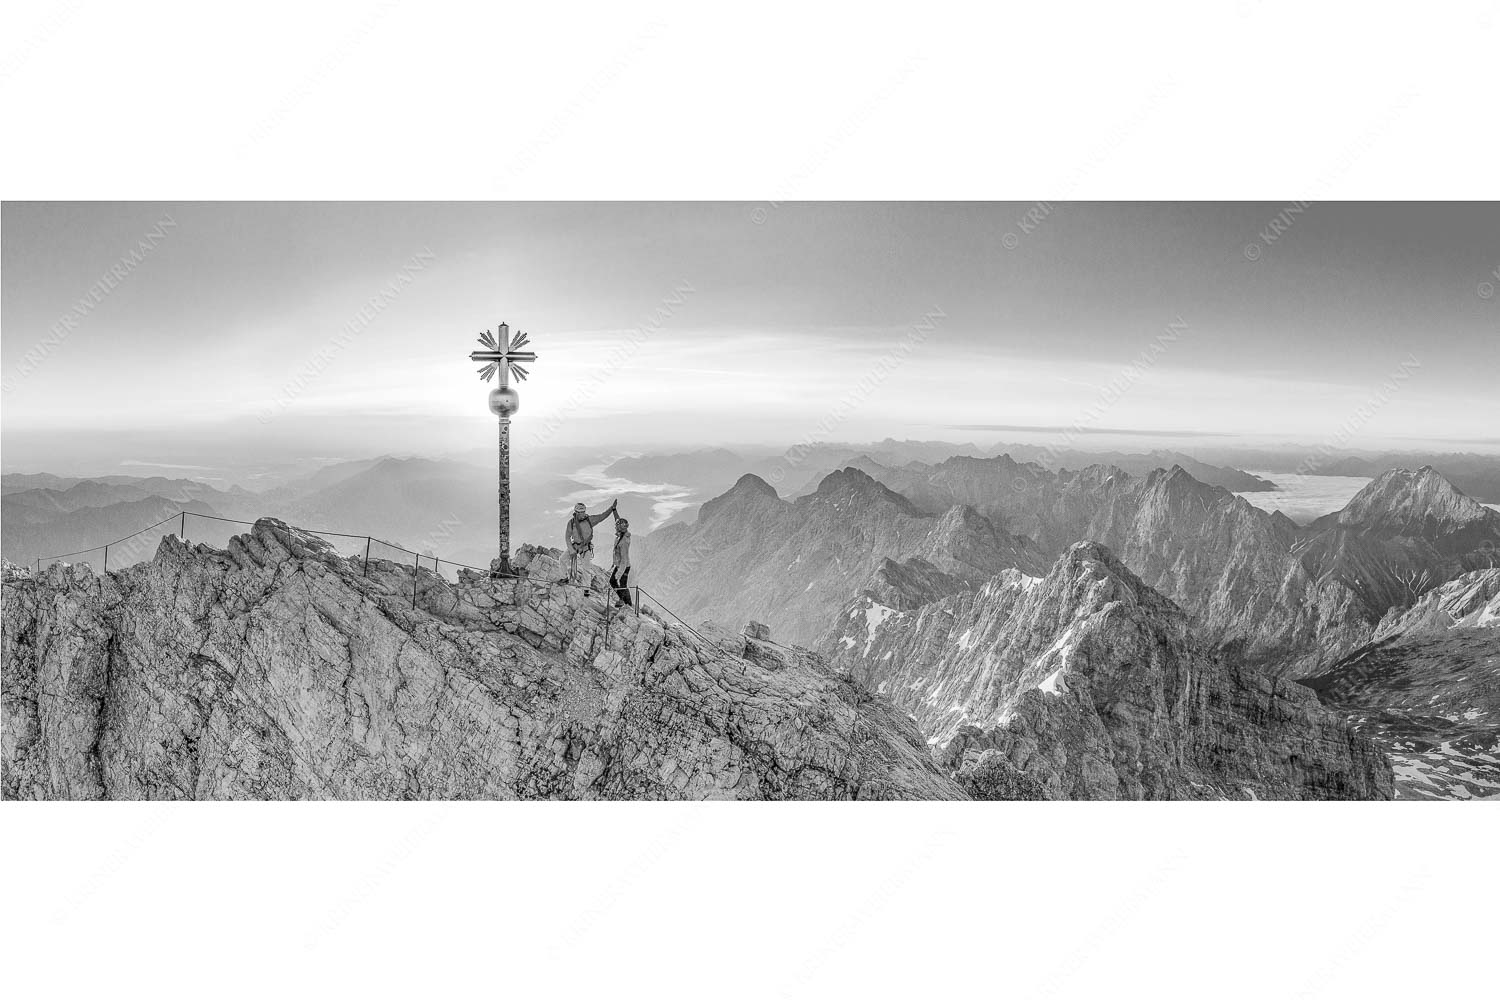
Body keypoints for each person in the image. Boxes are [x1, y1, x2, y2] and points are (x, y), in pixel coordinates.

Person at [563, 500, 616, 588]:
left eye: (583, 512)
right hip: (575, 545)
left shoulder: (590, 520)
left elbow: (602, 516)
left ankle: (586, 589)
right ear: (575, 512)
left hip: (585, 547)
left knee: (586, 570)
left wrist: (612, 508)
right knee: (562, 559)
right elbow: (567, 536)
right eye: (579, 512)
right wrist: (571, 549)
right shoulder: (571, 523)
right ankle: (565, 578)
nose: (581, 514)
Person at [610, 517, 632, 608]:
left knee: (622, 584)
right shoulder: (620, 537)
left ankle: (627, 603)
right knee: (613, 581)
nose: (615, 527)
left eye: (617, 526)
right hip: (620, 564)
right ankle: (624, 601)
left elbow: (624, 559)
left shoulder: (624, 541)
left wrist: (618, 573)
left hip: (624, 566)